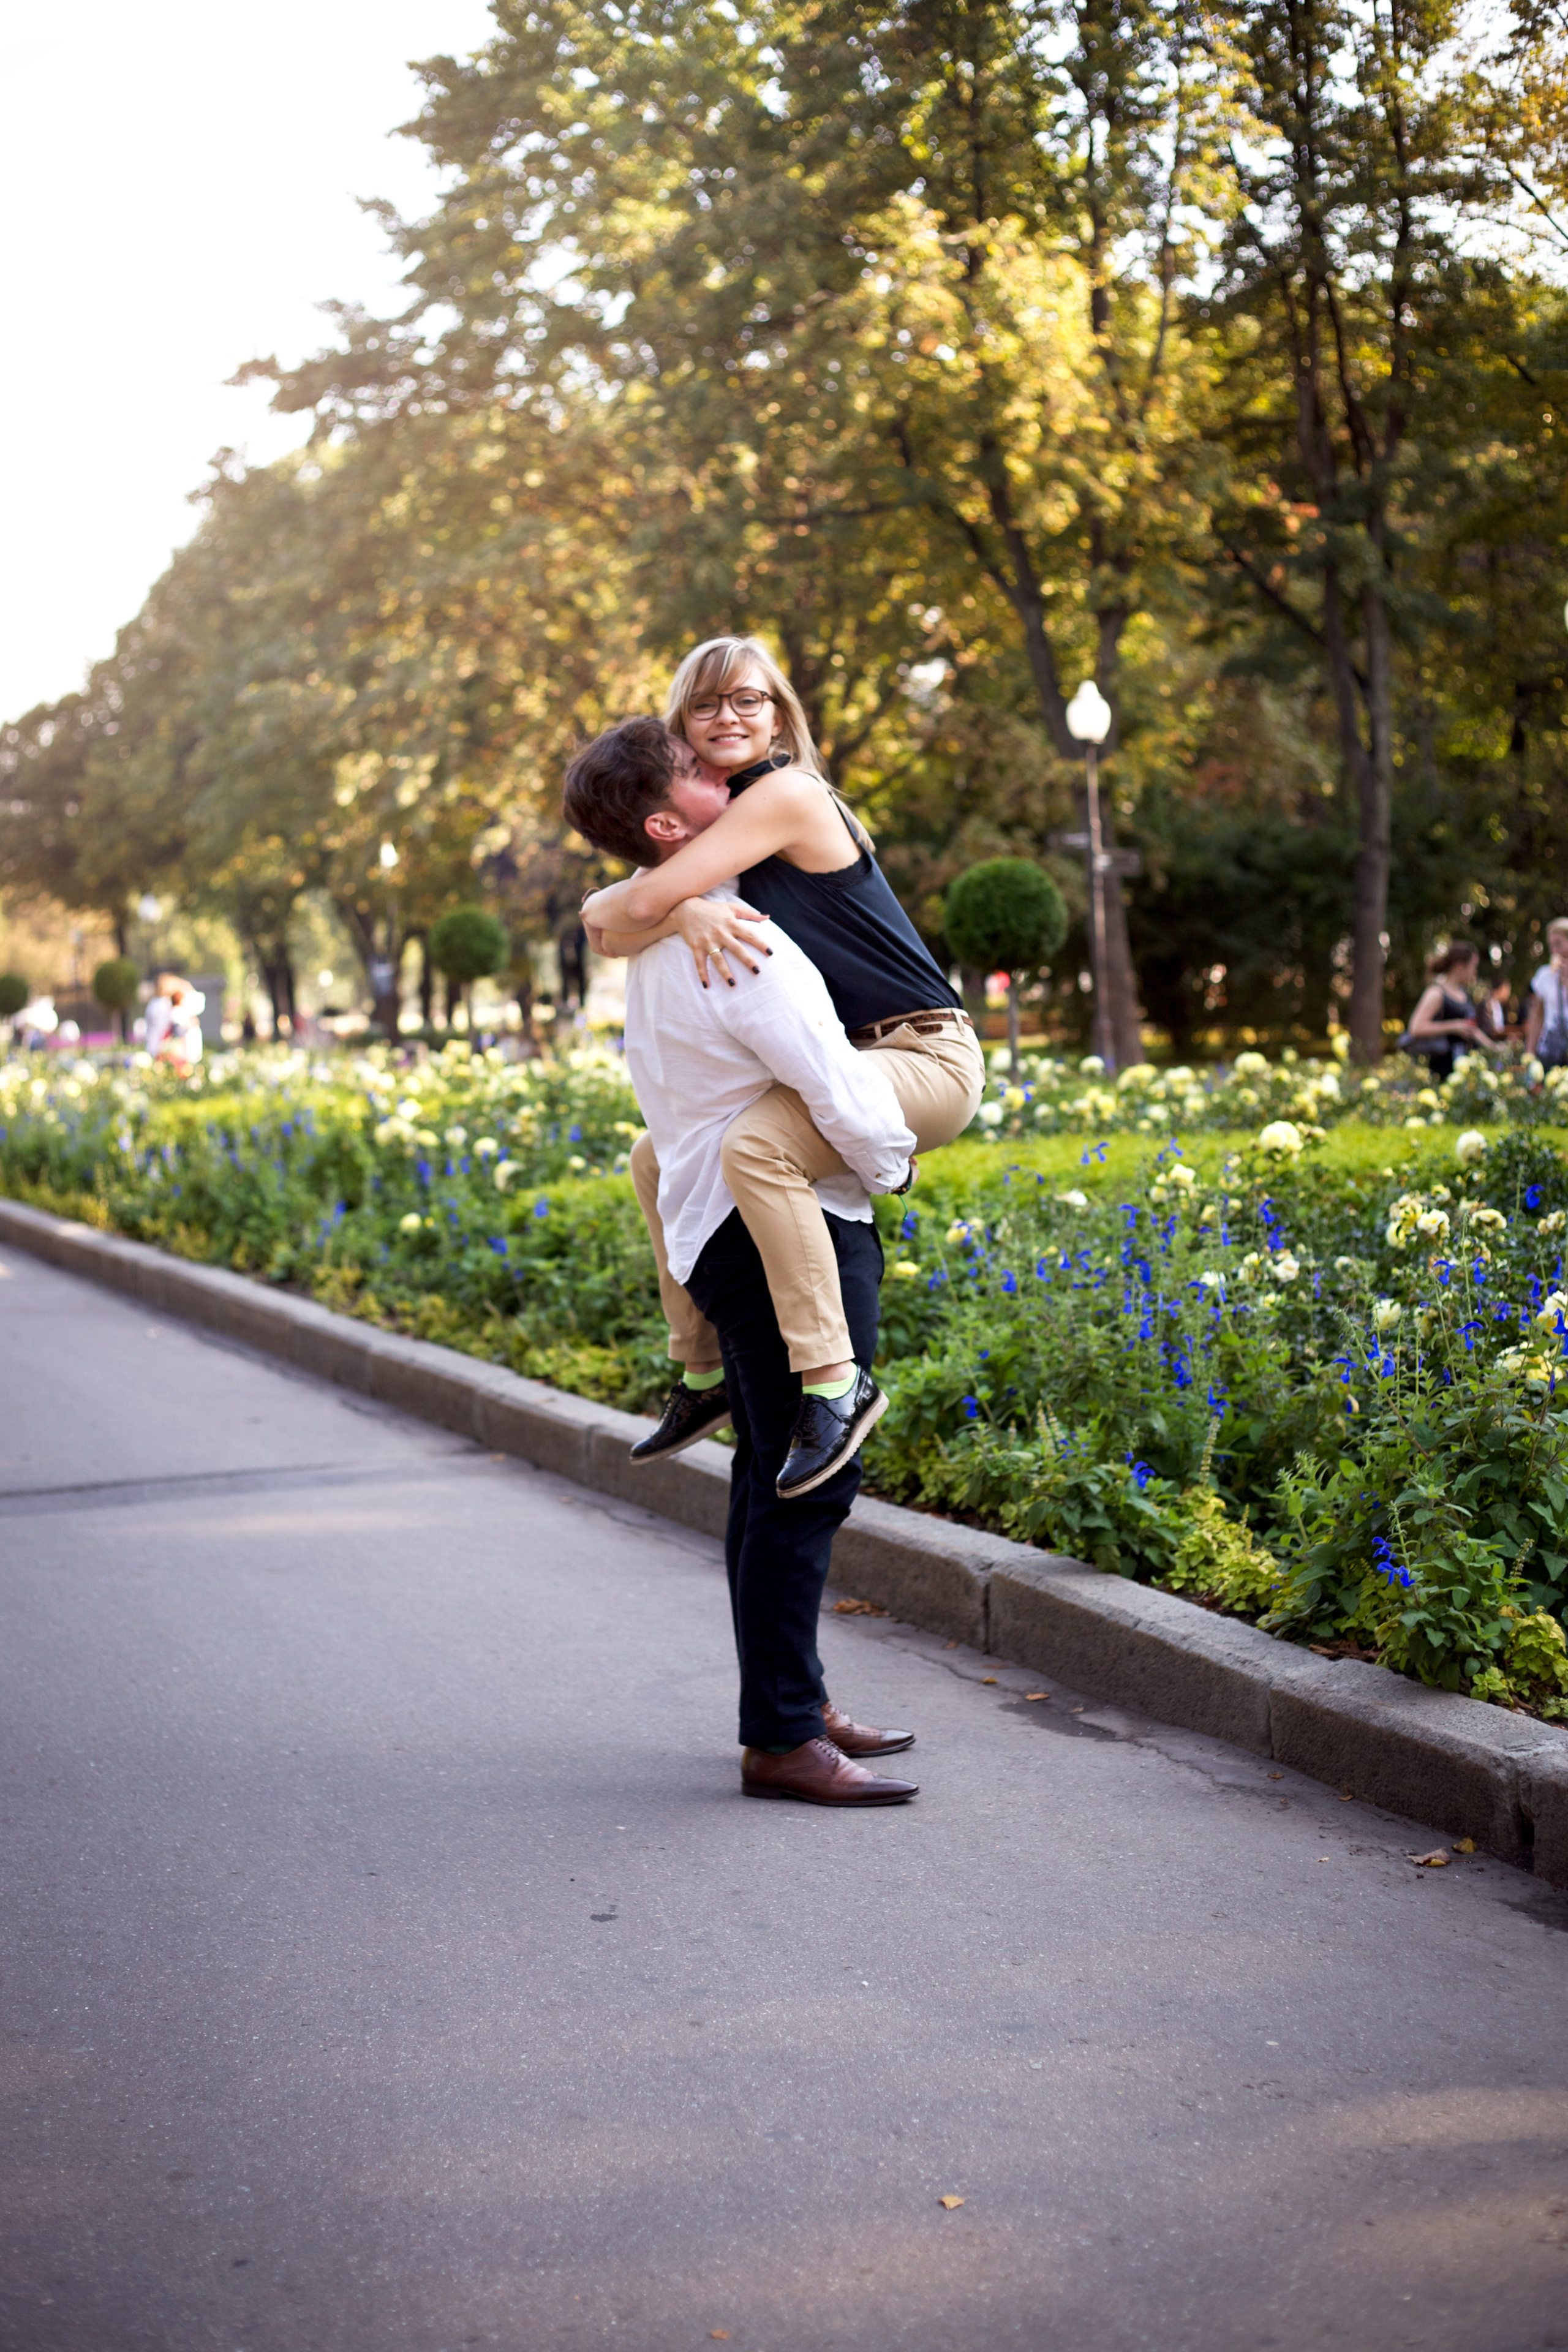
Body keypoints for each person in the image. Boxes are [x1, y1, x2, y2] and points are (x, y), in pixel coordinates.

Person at [589, 725, 919, 1806]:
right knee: (809, 1481)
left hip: (717, 1231)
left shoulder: (659, 934)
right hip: (788, 1223)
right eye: (701, 772)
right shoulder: (738, 938)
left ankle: (797, 1700)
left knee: (770, 1471)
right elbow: (833, 1082)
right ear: (667, 824)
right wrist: (891, 1170)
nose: (733, 777)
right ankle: (780, 1735)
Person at [578, 637, 984, 1493]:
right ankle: (700, 1374)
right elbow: (602, 921)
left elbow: (629, 906)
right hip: (850, 1056)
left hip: (922, 1053)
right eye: (706, 706)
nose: (729, 716)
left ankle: (837, 1387)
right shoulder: (716, 824)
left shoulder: (786, 796)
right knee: (655, 1155)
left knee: (754, 1147)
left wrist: (672, 907)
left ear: (779, 715)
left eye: (749, 700)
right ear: (682, 725)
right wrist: (683, 912)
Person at [1401, 941, 1501, 1082]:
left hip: (1461, 1070)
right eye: (1473, 966)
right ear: (1460, 966)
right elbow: (1416, 1028)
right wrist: (1453, 1026)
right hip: (1441, 1070)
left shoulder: (1464, 994)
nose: (1475, 972)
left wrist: (1496, 1048)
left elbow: (1470, 1029)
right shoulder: (1436, 993)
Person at [1525, 918, 1568, 1071]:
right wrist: (1530, 1053)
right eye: (1551, 945)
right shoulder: (1544, 975)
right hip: (1550, 1051)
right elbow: (1537, 1015)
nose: (1554, 951)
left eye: (1559, 943)